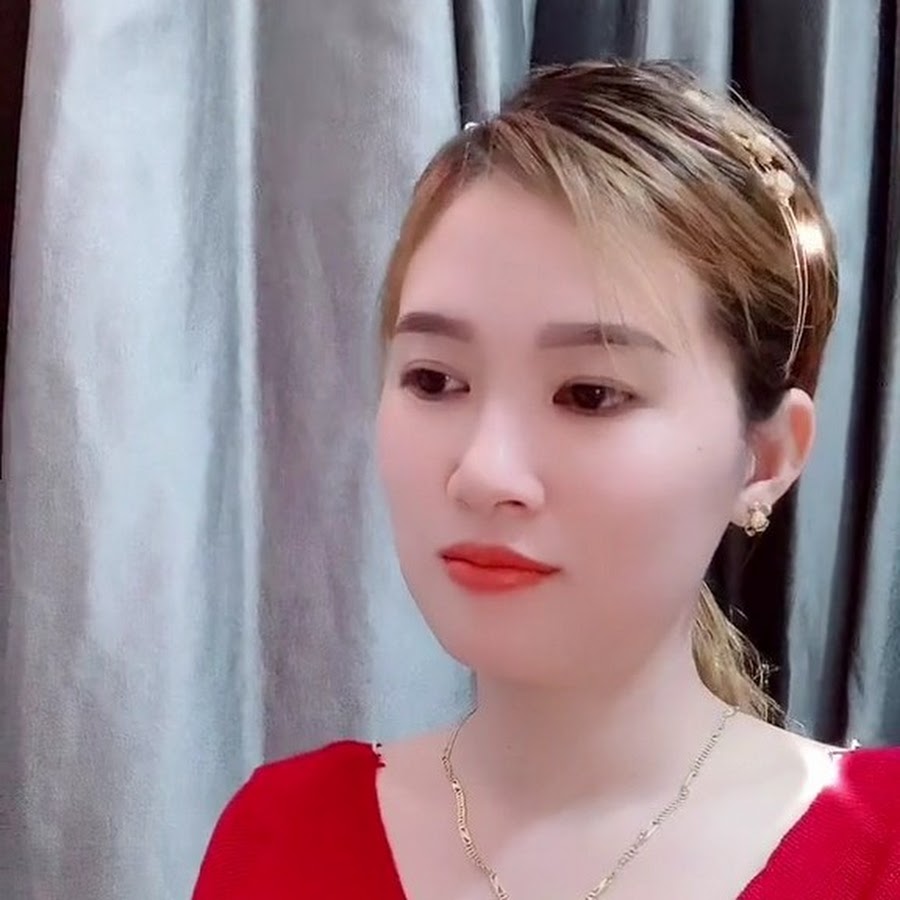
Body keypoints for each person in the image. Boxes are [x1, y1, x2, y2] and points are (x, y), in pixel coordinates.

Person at [192, 60, 900, 899]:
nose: (483, 473)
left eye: (590, 394)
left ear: (767, 457)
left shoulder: (877, 849)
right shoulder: (282, 838)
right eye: (434, 380)